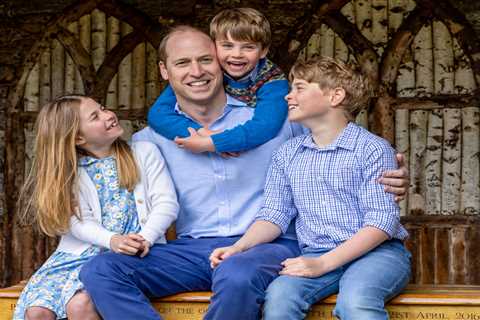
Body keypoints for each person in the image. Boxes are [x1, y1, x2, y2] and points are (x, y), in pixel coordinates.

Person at [80, 27, 409, 320]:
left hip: (270, 246)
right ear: (165, 71)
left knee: (237, 273)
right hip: (194, 250)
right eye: (182, 63)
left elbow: (335, 148)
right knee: (101, 270)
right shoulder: (147, 142)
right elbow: (89, 174)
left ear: (221, 65)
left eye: (206, 60)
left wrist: (395, 172)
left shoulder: (276, 124)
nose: (197, 71)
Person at [210, 56, 411, 320]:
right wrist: (238, 247)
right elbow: (274, 215)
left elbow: (382, 222)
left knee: (356, 301)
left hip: (378, 255)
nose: (288, 96)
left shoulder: (371, 149)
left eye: (300, 88)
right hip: (315, 252)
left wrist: (323, 264)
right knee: (280, 298)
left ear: (335, 96)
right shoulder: (288, 154)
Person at [14, 95, 179, 320]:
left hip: (132, 256)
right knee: (37, 312)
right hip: (74, 258)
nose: (109, 114)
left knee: (80, 305)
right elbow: (79, 222)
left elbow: (166, 203)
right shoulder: (70, 173)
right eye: (95, 116)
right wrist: (112, 239)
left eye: (102, 108)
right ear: (78, 137)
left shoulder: (144, 153)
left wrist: (145, 238)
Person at [147, 8, 288, 154]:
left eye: (248, 47)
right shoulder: (208, 72)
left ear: (263, 51)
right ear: (214, 46)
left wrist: (216, 143)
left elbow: (265, 126)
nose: (236, 54)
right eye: (227, 46)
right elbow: (158, 114)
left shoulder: (273, 81)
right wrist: (202, 134)